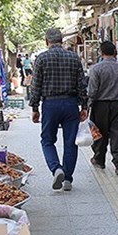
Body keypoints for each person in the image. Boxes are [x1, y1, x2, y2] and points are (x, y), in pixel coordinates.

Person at [30, 28, 88, 192]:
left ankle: (56, 169)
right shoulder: (74, 57)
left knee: (47, 140)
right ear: (61, 41)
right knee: (70, 142)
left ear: (46, 41)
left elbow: (36, 86)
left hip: (50, 104)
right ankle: (68, 179)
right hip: (70, 104)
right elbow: (82, 85)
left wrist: (35, 108)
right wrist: (84, 106)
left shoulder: (41, 59)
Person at [87, 41, 118, 177]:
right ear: (115, 53)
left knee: (99, 133)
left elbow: (92, 91)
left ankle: (99, 159)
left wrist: (88, 105)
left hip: (100, 105)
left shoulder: (96, 69)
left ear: (101, 53)